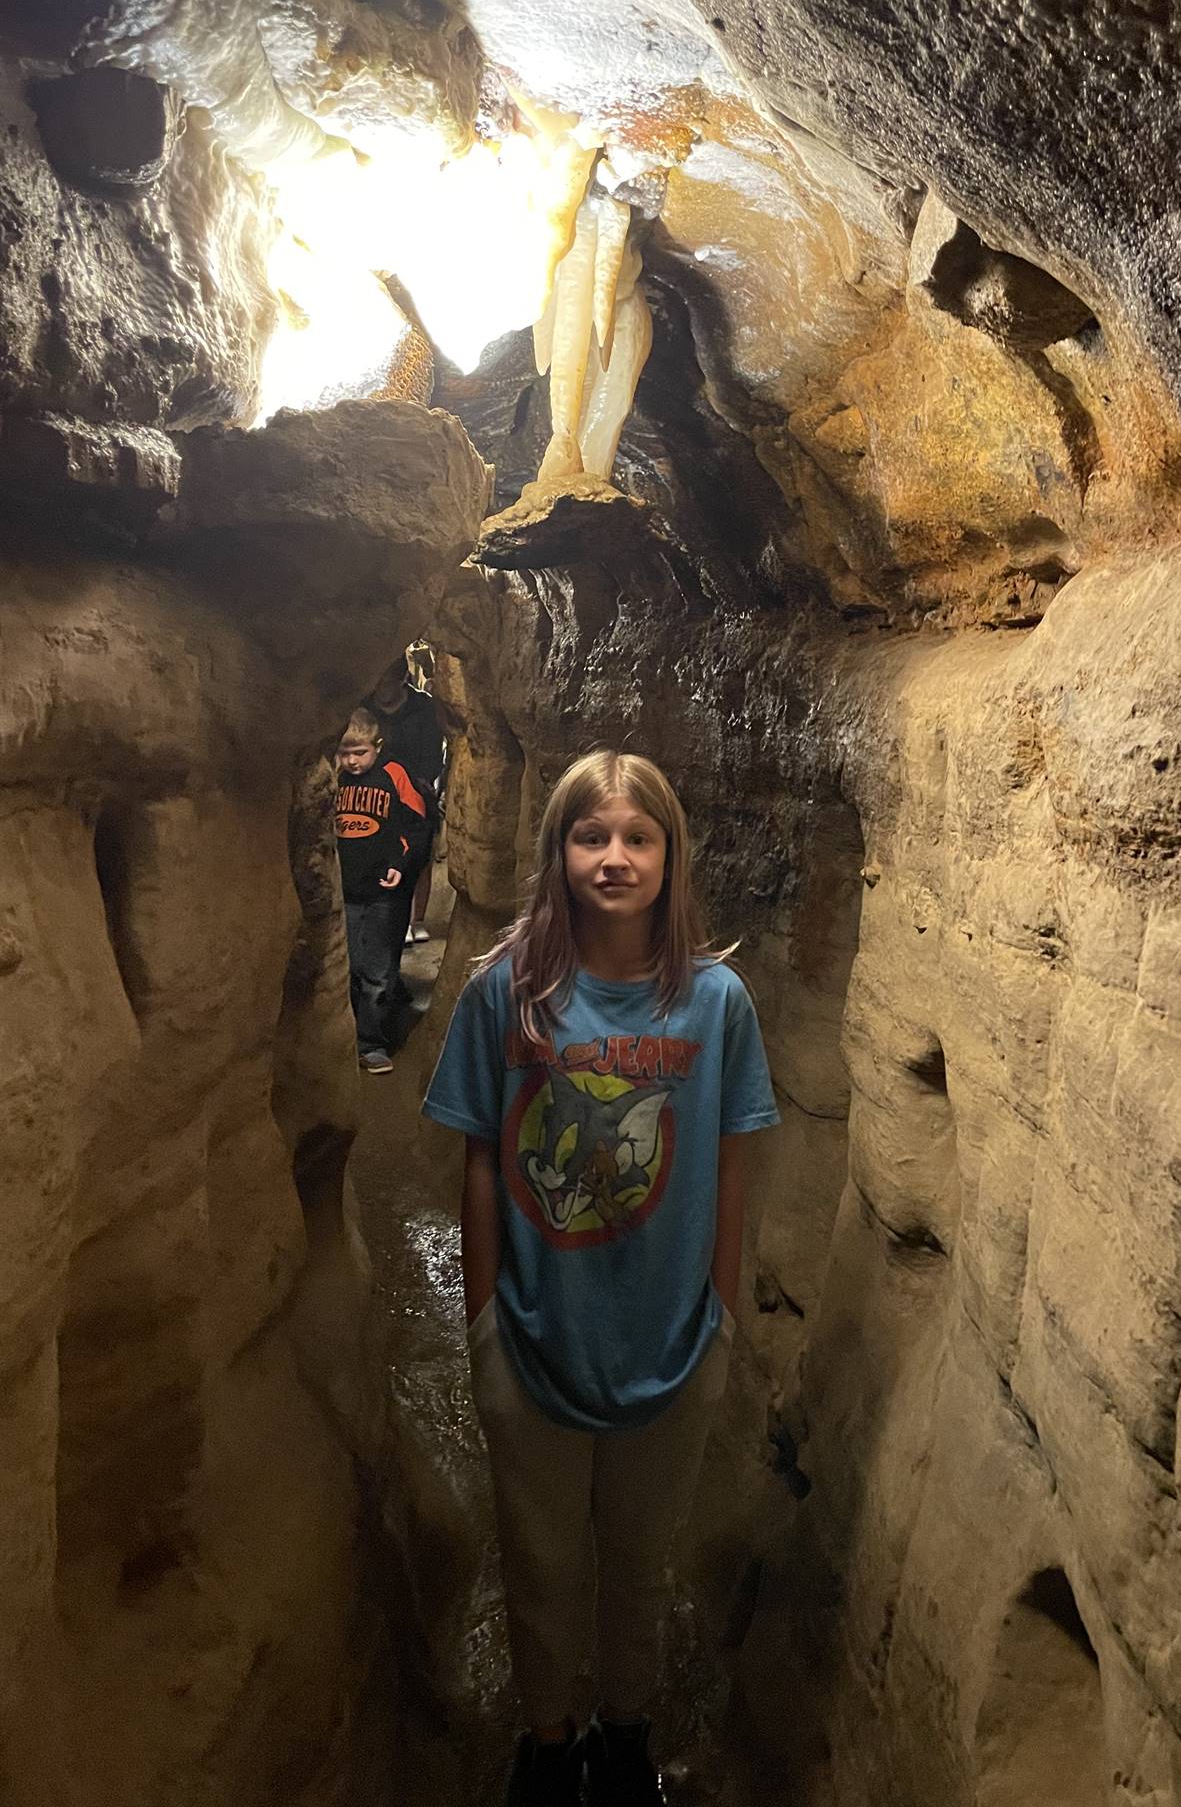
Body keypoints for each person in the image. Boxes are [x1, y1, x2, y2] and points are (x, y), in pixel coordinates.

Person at [422, 750, 779, 1807]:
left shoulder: (715, 1005)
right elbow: (484, 1156)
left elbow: (730, 1163)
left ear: (670, 857)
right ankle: (549, 1735)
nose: (614, 859)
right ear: (559, 851)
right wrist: (485, 1322)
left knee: (638, 1561)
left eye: (637, 838)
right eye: (591, 836)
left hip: (671, 1338)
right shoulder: (508, 993)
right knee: (539, 1559)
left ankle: (624, 1732)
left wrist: (717, 1314)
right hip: (535, 1333)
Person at [334, 710, 429, 1075]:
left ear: (377, 746)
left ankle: (371, 1042)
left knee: (378, 969)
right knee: (348, 965)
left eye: (359, 752)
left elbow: (416, 825)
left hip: (382, 891)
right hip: (345, 887)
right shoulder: (335, 778)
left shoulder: (394, 776)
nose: (352, 761)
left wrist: (400, 864)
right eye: (345, 753)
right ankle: (347, 1033)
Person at [364, 653, 446, 943]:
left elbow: (433, 753)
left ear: (401, 679)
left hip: (416, 790)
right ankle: (387, 917)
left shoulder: (422, 707)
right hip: (377, 791)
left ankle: (416, 919)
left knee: (419, 855)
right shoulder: (365, 707)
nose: (379, 688)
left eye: (386, 682)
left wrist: (420, 787)